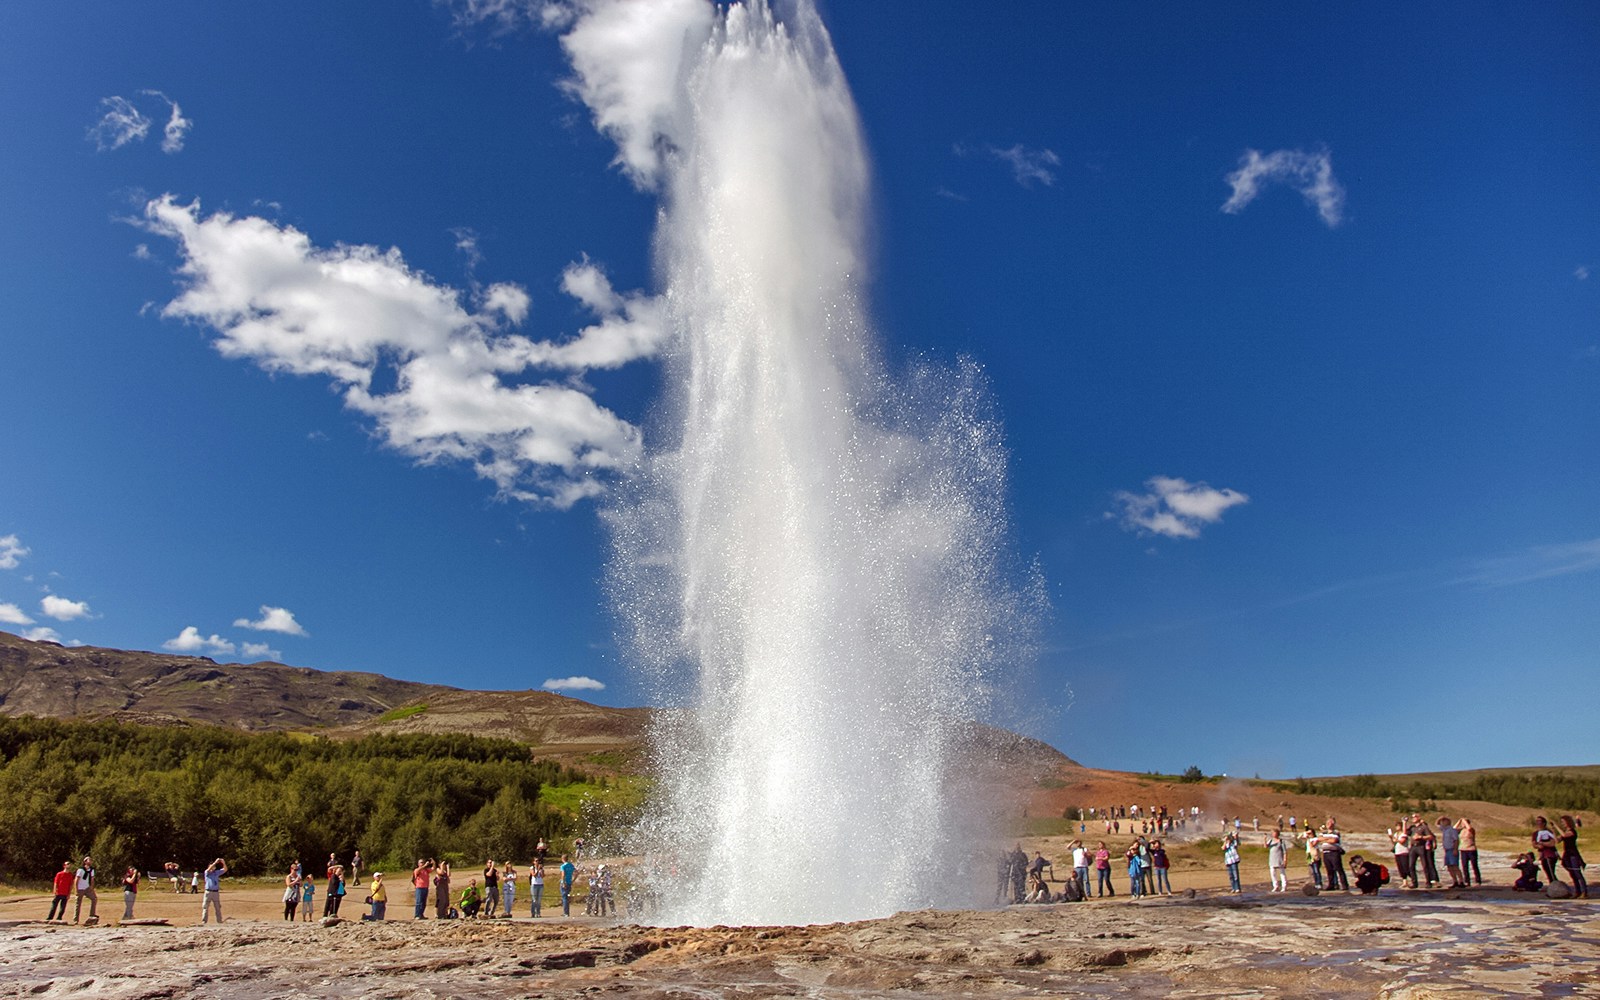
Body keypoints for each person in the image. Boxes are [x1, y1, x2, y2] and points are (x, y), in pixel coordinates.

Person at [1558, 815, 1588, 898]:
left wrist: (1556, 827)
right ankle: (1577, 891)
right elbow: (1558, 840)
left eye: (1563, 822)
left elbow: (1564, 835)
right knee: (1572, 873)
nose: (1562, 824)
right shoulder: (1565, 831)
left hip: (1573, 854)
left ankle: (1584, 892)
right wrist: (1553, 831)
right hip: (1567, 854)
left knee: (1577, 873)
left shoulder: (1572, 831)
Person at [1321, 820, 1350, 892]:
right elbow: (1319, 839)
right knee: (1329, 870)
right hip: (1325, 853)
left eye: (1330, 823)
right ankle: (1331, 884)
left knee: (1338, 869)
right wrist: (1327, 839)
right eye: (1327, 823)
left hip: (1334, 853)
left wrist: (1325, 839)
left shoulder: (1336, 832)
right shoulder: (1323, 832)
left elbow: (1334, 840)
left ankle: (1344, 885)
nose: (1329, 824)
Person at [1533, 816, 1561, 885]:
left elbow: (1553, 843)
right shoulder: (1535, 833)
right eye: (1537, 821)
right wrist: (1538, 846)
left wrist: (1542, 844)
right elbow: (1534, 844)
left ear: (1544, 823)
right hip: (1543, 855)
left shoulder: (1548, 832)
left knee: (1551, 872)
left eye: (1539, 821)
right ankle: (1553, 886)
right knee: (1548, 872)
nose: (1538, 823)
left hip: (1550, 854)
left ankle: (1556, 886)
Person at [1437, 816, 1464, 888]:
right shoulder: (1444, 830)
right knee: (1449, 866)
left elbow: (1456, 840)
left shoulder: (1452, 830)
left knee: (1455, 866)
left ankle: (1461, 881)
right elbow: (1437, 824)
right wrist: (1440, 818)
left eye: (1444, 821)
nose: (1442, 822)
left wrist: (1455, 849)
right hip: (1447, 850)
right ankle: (1455, 881)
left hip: (1452, 849)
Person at [1456, 817, 1481, 886]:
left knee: (1474, 866)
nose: (1462, 824)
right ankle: (1467, 881)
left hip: (1471, 849)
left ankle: (1478, 880)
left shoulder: (1471, 830)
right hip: (1463, 849)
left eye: (1464, 823)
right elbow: (1453, 829)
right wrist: (1459, 821)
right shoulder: (1460, 830)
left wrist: (1464, 821)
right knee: (1465, 866)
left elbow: (1469, 828)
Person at [201, 858, 227, 924]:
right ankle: (204, 921)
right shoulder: (207, 873)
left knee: (217, 907)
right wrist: (215, 862)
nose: (213, 867)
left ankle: (219, 921)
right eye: (212, 866)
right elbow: (209, 869)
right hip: (208, 892)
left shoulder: (216, 872)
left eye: (214, 867)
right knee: (205, 907)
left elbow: (225, 869)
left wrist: (223, 863)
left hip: (215, 892)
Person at [73, 855, 98, 923]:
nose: (90, 861)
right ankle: (76, 919)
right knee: (78, 903)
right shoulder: (80, 870)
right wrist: (76, 889)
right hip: (80, 888)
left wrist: (91, 887)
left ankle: (92, 915)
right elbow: (76, 879)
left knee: (94, 899)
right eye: (89, 860)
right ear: (85, 862)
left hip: (87, 887)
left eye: (91, 860)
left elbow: (92, 879)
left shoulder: (91, 870)